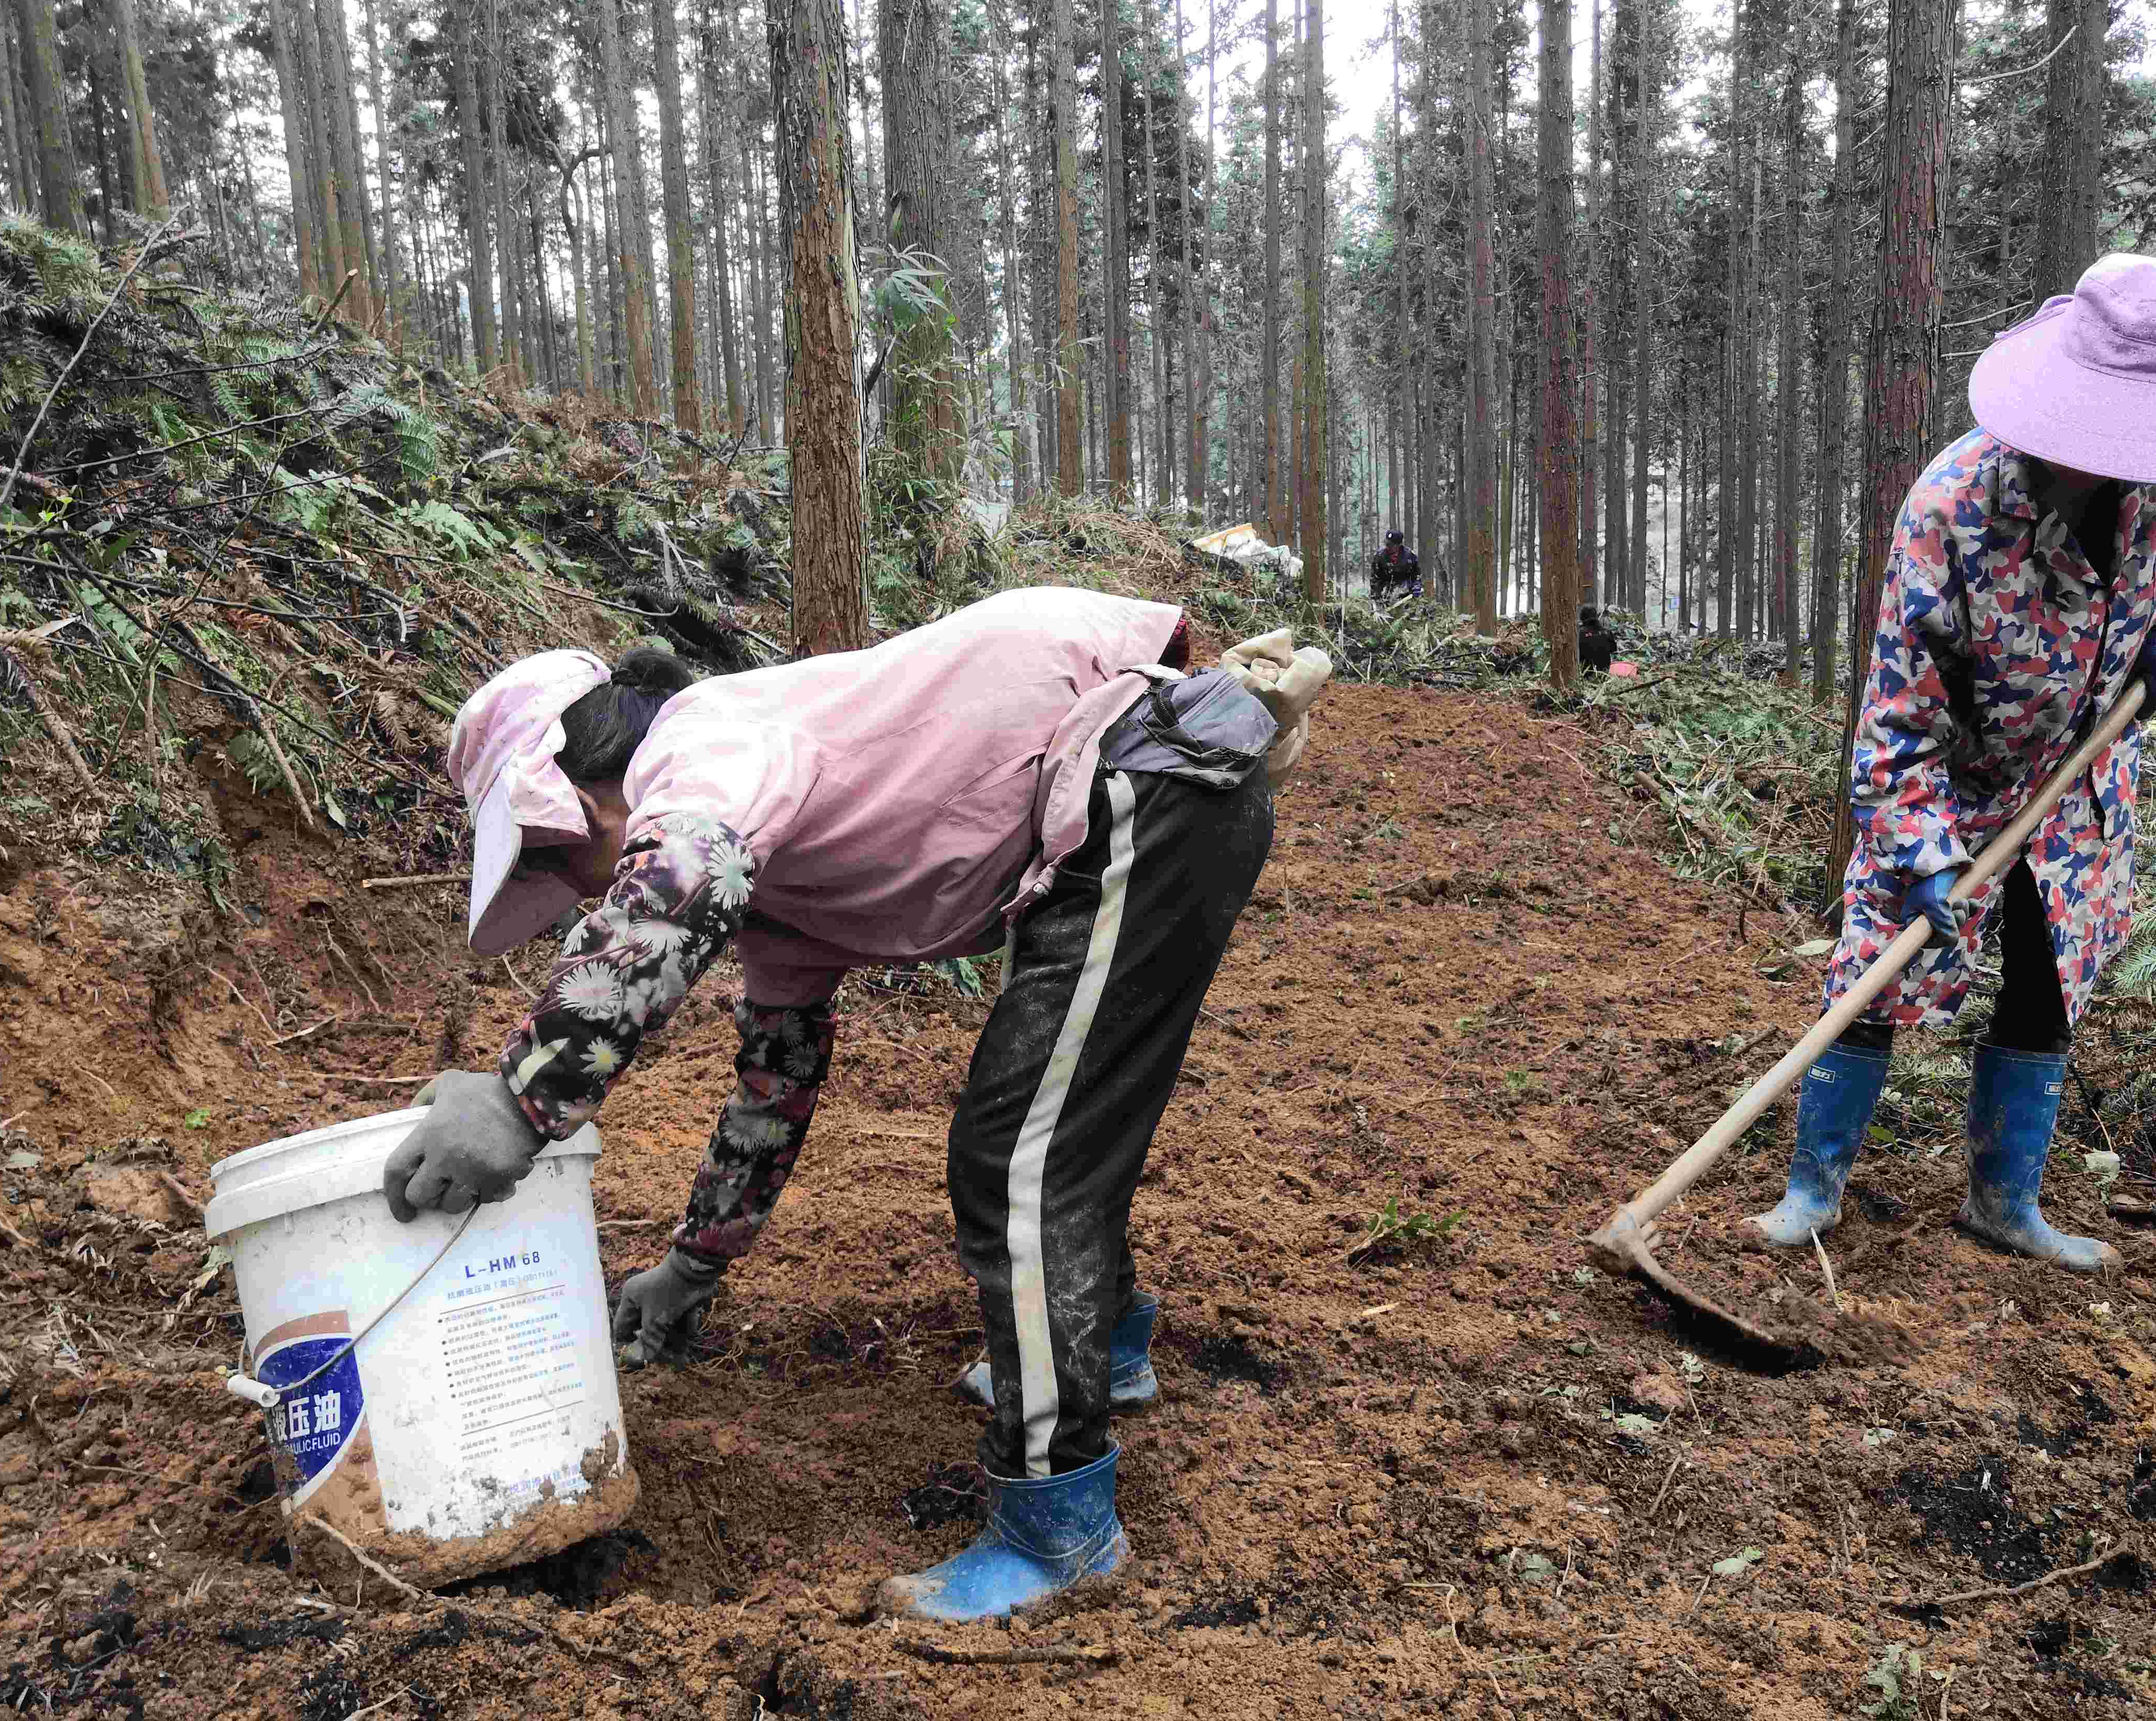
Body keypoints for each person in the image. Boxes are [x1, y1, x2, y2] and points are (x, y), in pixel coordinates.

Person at [377, 587, 1329, 1621]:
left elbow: (686, 875)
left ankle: (1061, 1532)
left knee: (1018, 1159)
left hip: (1149, 784)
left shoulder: (703, 744)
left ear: (578, 802)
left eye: (561, 866)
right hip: (1139, 804)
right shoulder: (777, 874)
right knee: (1052, 1124)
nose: (580, 893)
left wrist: (522, 1102)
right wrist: (691, 1269)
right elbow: (778, 1080)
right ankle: (1111, 1344)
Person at [1749, 255, 2156, 1272]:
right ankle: (1812, 1193)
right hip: (1958, 771)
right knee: (1879, 963)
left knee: (2047, 967)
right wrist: (1926, 850)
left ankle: (2004, 1202)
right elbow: (1898, 711)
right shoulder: (1950, 510)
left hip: (2083, 774)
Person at [1369, 529, 1422, 602]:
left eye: (1391, 545)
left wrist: (1416, 587)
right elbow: (1375, 579)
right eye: (1387, 544)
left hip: (1405, 595)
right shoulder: (1379, 556)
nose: (1388, 547)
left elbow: (1416, 575)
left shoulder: (1410, 556)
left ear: (1399, 545)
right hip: (1385, 595)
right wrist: (1375, 597)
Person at [1577, 605, 1618, 675]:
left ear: (1582, 618)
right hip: (1604, 674)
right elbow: (1614, 650)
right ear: (1596, 616)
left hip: (1585, 674)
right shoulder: (1607, 632)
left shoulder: (1579, 634)